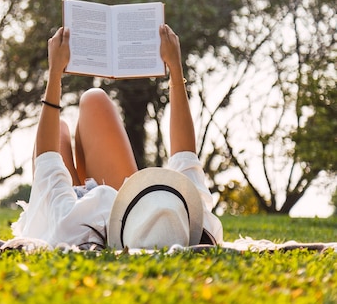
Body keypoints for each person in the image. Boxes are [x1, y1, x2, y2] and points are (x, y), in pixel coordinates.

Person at [11, 24, 223, 250]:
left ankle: (84, 183)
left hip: (73, 211)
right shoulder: (189, 222)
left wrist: (55, 73)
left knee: (59, 129)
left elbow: (47, 159)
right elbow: (185, 154)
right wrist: (175, 67)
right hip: (124, 207)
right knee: (94, 99)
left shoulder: (68, 227)